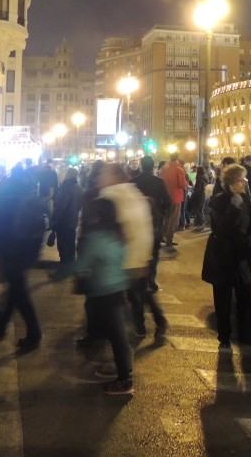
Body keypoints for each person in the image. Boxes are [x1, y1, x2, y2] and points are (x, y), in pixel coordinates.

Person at [76, 192, 134, 395]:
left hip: (104, 291)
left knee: (117, 336)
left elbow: (82, 263)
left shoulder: (97, 238)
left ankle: (125, 379)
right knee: (114, 334)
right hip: (117, 289)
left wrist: (60, 273)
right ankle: (118, 369)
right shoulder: (117, 234)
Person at [98, 163, 165, 339]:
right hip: (141, 252)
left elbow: (111, 229)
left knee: (129, 296)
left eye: (105, 175)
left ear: (114, 177)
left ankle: (138, 330)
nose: (101, 178)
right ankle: (157, 321)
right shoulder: (134, 193)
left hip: (125, 256)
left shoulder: (111, 196)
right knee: (141, 291)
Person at [0, 163, 45, 351]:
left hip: (11, 251)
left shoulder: (7, 197)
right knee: (15, 291)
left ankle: (34, 333)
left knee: (19, 294)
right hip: (25, 251)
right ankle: (1, 325)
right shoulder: (31, 196)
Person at [201, 163, 251, 348]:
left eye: (244, 179)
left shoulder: (245, 199)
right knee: (223, 296)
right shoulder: (219, 200)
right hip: (223, 254)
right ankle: (224, 335)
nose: (244, 183)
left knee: (245, 294)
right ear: (231, 182)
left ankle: (246, 334)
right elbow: (221, 227)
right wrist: (233, 206)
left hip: (241, 254)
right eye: (241, 180)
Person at [132, 156, 172, 293]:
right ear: (153, 166)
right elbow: (167, 201)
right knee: (154, 252)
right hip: (154, 221)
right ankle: (151, 279)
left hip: (137, 222)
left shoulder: (134, 182)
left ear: (141, 166)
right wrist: (161, 211)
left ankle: (139, 279)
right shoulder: (159, 182)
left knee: (138, 251)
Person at [50, 167, 83, 280]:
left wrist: (54, 221)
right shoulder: (79, 188)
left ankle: (63, 272)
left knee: (63, 247)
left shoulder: (65, 187)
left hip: (63, 222)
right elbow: (79, 205)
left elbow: (60, 206)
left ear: (67, 175)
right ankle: (71, 269)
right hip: (72, 221)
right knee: (70, 246)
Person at [159, 154, 190, 249]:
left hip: (165, 197)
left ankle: (161, 238)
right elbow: (182, 184)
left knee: (167, 219)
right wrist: (187, 183)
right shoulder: (179, 169)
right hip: (176, 197)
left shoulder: (164, 170)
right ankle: (169, 240)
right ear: (177, 159)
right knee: (174, 220)